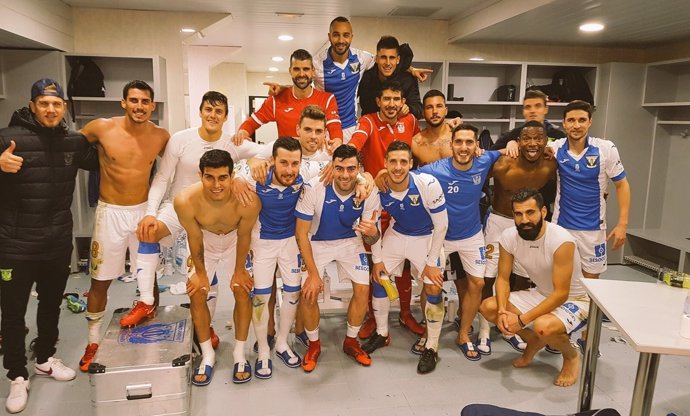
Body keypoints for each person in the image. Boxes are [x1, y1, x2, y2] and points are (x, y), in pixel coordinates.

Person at [125, 91, 263, 344]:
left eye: (218, 111)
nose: (212, 115)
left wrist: (250, 164)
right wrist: (150, 213)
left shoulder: (233, 142)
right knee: (147, 231)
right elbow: (162, 177)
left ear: (225, 117)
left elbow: (271, 151)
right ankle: (145, 300)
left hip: (215, 213)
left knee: (204, 278)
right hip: (181, 206)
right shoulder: (181, 139)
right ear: (200, 112)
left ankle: (207, 331)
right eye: (208, 109)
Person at [0, 79, 97, 413]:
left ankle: (43, 358)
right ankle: (16, 373)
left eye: (56, 104)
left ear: (64, 107)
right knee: (12, 313)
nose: (51, 110)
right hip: (16, 243)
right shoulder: (7, 138)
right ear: (32, 106)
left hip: (57, 241)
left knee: (50, 305)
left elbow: (107, 162)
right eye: (44, 103)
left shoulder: (73, 141)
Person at [78, 80, 170, 372]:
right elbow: (64, 148)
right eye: (134, 100)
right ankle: (92, 342)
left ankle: (149, 321)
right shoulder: (101, 127)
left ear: (152, 106)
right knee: (100, 280)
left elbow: (178, 165)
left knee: (149, 274)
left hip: (143, 211)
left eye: (145, 102)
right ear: (123, 102)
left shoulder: (160, 136)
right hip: (111, 212)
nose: (139, 106)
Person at [233, 137, 331, 376]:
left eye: (294, 163)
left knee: (293, 293)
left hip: (290, 244)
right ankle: (264, 350)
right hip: (262, 243)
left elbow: (344, 171)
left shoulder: (305, 174)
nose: (289, 170)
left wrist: (364, 179)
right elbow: (235, 170)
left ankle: (281, 343)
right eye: (284, 163)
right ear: (272, 161)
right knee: (261, 298)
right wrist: (237, 178)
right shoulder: (256, 176)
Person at [479, 188, 589, 387]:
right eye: (518, 214)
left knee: (543, 327)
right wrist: (503, 310)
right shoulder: (509, 236)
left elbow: (561, 294)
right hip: (541, 293)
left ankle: (571, 356)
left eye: (530, 212)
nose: (524, 220)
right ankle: (533, 341)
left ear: (543, 212)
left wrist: (521, 321)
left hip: (575, 299)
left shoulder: (561, 240)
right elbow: (503, 279)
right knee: (489, 307)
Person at [416, 124, 504, 361]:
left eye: (469, 142)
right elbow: (405, 176)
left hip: (471, 234)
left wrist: (512, 146)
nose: (464, 147)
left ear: (477, 145)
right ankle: (429, 333)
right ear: (451, 144)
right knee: (431, 286)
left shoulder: (484, 161)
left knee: (477, 283)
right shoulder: (435, 170)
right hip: (440, 237)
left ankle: (463, 335)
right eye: (459, 142)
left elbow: (503, 151)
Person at [174, 149, 261, 385]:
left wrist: (240, 270)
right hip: (204, 240)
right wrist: (200, 275)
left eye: (223, 177)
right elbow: (194, 237)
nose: (216, 184)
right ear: (199, 175)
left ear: (231, 176)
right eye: (209, 177)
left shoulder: (248, 200)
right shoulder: (185, 200)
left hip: (235, 240)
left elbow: (245, 236)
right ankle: (207, 355)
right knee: (197, 293)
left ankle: (239, 353)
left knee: (242, 290)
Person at [348, 80, 425, 338]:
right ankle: (373, 317)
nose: (392, 104)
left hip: (404, 202)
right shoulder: (369, 121)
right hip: (377, 202)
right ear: (379, 101)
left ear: (402, 101)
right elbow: (357, 143)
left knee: (402, 265)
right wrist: (362, 173)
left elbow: (423, 149)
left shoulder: (411, 122)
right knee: (376, 264)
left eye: (396, 99)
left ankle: (405, 314)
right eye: (387, 99)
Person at [295, 145, 381, 372]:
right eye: (339, 168)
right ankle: (313, 344)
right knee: (309, 291)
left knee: (363, 290)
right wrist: (313, 275)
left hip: (350, 242)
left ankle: (351, 341)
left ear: (359, 169)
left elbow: (373, 237)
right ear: (331, 168)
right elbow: (301, 233)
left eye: (351, 169)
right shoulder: (315, 188)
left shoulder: (369, 192)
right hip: (317, 241)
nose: (345, 175)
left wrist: (372, 233)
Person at [365, 141, 448, 375]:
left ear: (411, 164)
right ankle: (382, 333)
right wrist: (378, 259)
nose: (398, 167)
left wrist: (431, 263)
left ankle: (431, 346)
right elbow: (373, 226)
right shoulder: (377, 189)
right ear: (385, 163)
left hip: (427, 238)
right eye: (393, 161)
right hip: (397, 234)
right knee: (380, 278)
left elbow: (442, 225)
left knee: (433, 288)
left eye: (403, 162)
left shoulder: (427, 184)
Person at [477, 121, 557, 355]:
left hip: (528, 225)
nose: (533, 144)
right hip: (499, 222)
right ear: (519, 141)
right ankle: (483, 331)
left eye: (538, 139)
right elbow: (474, 170)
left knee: (522, 278)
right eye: (527, 139)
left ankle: (512, 328)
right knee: (489, 277)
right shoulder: (504, 164)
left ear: (546, 142)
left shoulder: (551, 164)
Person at [312, 16, 429, 142]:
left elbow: (418, 107)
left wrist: (411, 70)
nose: (341, 40)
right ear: (329, 36)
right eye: (336, 35)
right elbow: (302, 79)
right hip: (332, 128)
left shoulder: (362, 59)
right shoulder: (318, 63)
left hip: (369, 130)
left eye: (346, 35)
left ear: (351, 36)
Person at [234, 49, 343, 149]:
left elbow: (335, 127)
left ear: (313, 71)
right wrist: (242, 133)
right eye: (296, 69)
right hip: (287, 162)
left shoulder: (327, 99)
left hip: (315, 160)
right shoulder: (276, 100)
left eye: (306, 69)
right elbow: (252, 122)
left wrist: (337, 141)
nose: (301, 74)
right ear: (290, 70)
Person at [492, 89, 566, 221]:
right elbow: (488, 159)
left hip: (542, 210)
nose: (532, 111)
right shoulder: (511, 135)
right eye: (528, 107)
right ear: (523, 111)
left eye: (537, 106)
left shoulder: (559, 137)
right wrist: (508, 145)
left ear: (546, 109)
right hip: (507, 214)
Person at [358, 36, 423, 119]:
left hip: (399, 127)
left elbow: (418, 109)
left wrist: (408, 109)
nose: (387, 63)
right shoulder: (366, 77)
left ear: (398, 59)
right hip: (372, 126)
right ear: (376, 59)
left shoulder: (408, 78)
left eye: (392, 58)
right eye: (383, 57)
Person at [412, 90, 453, 165]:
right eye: (429, 107)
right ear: (423, 113)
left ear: (446, 111)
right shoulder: (416, 143)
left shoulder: (458, 135)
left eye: (439, 106)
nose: (435, 111)